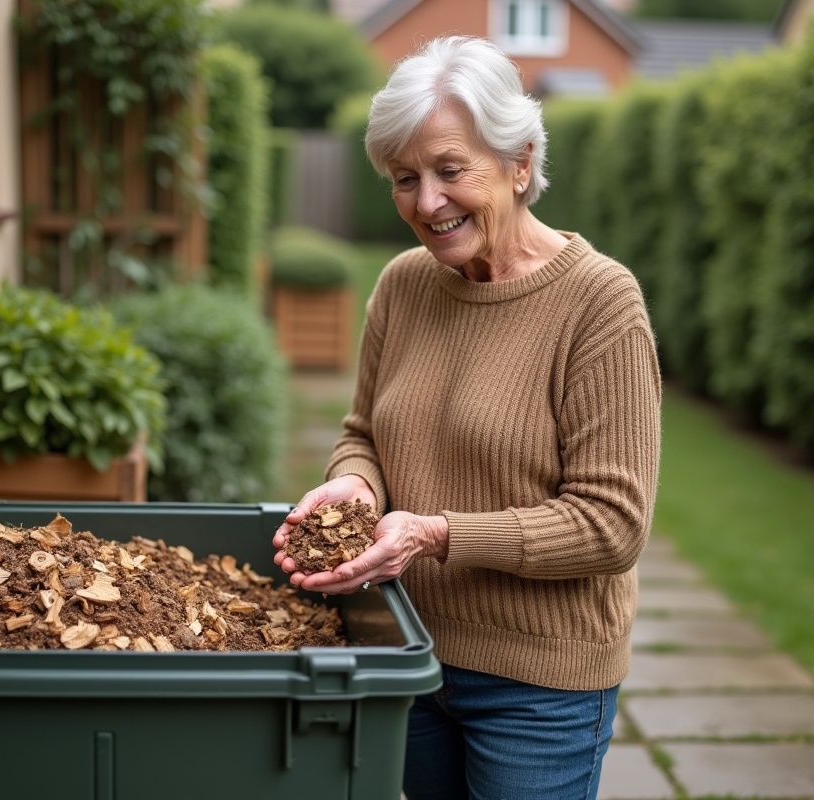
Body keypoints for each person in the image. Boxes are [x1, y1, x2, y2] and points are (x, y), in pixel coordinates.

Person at [272, 35, 661, 800]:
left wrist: (434, 534)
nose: (426, 202)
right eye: (404, 178)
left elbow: (613, 525)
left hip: (540, 688)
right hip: (406, 654)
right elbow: (364, 435)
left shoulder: (601, 305)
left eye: (451, 170)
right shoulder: (403, 284)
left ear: (520, 163)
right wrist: (356, 488)